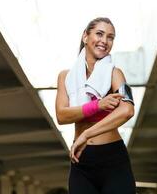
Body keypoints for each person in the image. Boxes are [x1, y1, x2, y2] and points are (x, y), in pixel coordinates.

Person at [56, 17, 136, 194]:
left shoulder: (115, 74)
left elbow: (127, 110)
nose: (104, 41)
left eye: (110, 37)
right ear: (85, 36)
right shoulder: (66, 77)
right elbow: (62, 116)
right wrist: (98, 105)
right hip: (81, 161)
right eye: (99, 34)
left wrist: (86, 134)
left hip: (113, 159)